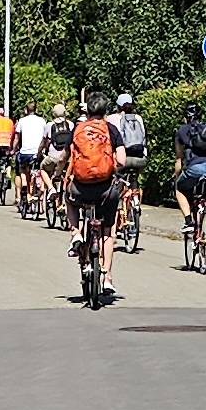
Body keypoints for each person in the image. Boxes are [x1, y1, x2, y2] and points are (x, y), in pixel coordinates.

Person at [66, 89, 128, 297]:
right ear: (105, 110)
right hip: (106, 189)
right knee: (108, 231)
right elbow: (121, 161)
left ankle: (75, 233)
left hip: (81, 187)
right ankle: (107, 277)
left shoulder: (77, 130)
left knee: (69, 198)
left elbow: (66, 158)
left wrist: (60, 176)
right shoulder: (111, 130)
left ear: (87, 109)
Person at [174, 102, 206, 249]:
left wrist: (178, 176)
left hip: (195, 169)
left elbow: (179, 159)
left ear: (185, 117)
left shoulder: (182, 131)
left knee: (179, 188)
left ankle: (189, 222)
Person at [110, 93, 149, 235]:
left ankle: (119, 212)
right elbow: (144, 138)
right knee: (134, 180)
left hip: (124, 159)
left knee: (116, 185)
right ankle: (135, 201)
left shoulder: (113, 119)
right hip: (140, 159)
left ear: (118, 106)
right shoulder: (138, 118)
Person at [13, 99, 48, 207]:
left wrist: (13, 149)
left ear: (26, 110)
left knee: (22, 169)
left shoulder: (22, 121)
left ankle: (24, 183)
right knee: (41, 170)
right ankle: (41, 191)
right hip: (38, 153)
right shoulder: (42, 121)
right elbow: (45, 138)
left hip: (25, 152)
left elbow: (17, 138)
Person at [40, 101, 74, 198]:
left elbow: (44, 141)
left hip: (53, 157)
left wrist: (40, 151)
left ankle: (51, 188)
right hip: (68, 158)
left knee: (43, 168)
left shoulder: (50, 125)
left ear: (53, 114)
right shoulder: (70, 124)